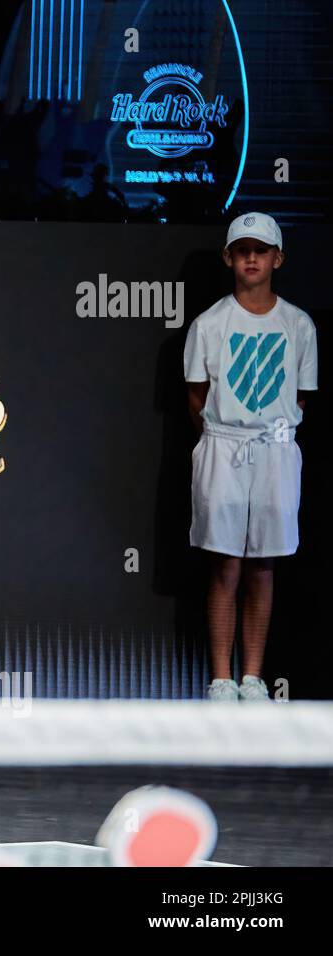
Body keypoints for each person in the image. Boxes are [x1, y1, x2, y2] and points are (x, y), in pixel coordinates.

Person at [183, 213, 317, 701]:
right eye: (243, 250)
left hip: (276, 451)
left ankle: (253, 678)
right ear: (229, 258)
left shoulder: (298, 324)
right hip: (223, 448)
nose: (252, 258)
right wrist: (226, 436)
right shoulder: (209, 324)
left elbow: (301, 396)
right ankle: (221, 677)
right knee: (227, 564)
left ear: (278, 258)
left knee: (264, 564)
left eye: (261, 250)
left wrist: (268, 434)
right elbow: (196, 397)